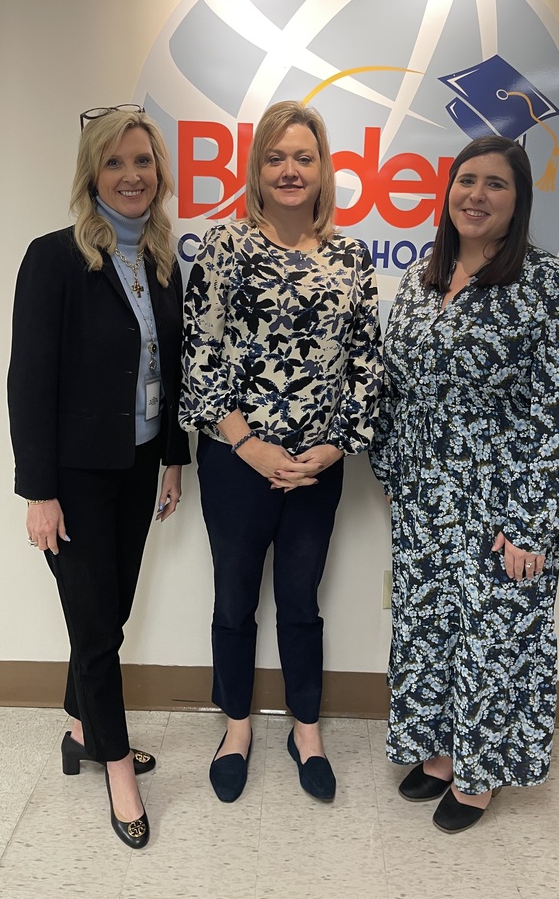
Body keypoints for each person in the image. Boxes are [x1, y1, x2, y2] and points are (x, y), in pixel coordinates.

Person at [370, 134, 559, 834]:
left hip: (505, 501)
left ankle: (481, 773)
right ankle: (441, 748)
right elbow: (395, 389)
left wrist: (532, 522)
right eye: (466, 180)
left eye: (495, 184)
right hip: (424, 499)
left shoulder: (554, 287)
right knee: (431, 627)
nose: (476, 194)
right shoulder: (419, 283)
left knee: (497, 640)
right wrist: (392, 472)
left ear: (520, 200)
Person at [180, 100, 382, 803]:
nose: (290, 170)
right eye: (276, 157)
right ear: (257, 170)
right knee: (234, 599)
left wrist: (333, 450)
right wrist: (248, 445)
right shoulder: (222, 248)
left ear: (324, 169)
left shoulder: (353, 258)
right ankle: (236, 725)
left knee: (300, 600)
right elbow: (200, 362)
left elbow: (366, 366)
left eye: (304, 157)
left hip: (316, 471)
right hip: (238, 465)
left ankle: (306, 729)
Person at [8, 105, 189, 848]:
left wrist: (174, 455)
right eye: (115, 163)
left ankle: (82, 725)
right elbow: (28, 380)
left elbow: (170, 372)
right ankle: (117, 766)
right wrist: (38, 491)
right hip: (75, 477)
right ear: (91, 175)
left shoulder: (162, 262)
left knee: (105, 617)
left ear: (158, 173)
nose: (131, 175)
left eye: (142, 161)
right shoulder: (53, 258)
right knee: (96, 628)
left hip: (140, 462)